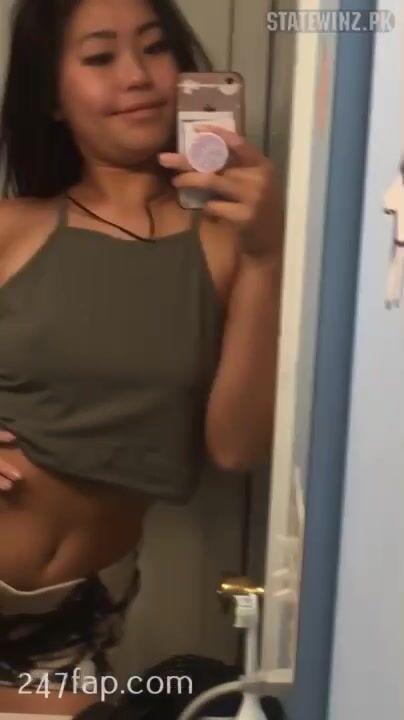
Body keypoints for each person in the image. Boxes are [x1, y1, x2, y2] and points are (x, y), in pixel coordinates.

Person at [0, 0, 283, 715]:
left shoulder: (231, 247)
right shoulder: (11, 229)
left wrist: (269, 254)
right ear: (52, 96)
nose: (137, 76)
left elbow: (237, 445)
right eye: (100, 57)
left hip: (69, 631)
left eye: (155, 48)